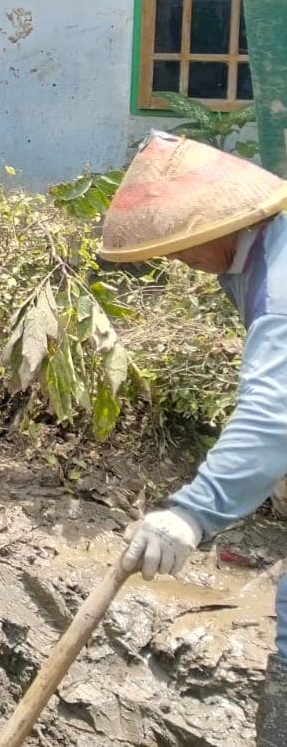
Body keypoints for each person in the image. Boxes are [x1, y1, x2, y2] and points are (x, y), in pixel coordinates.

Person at [104, 131, 287, 744]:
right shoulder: (259, 256)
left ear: (215, 225)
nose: (177, 258)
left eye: (180, 245)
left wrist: (190, 513)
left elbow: (272, 414)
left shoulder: (281, 283)